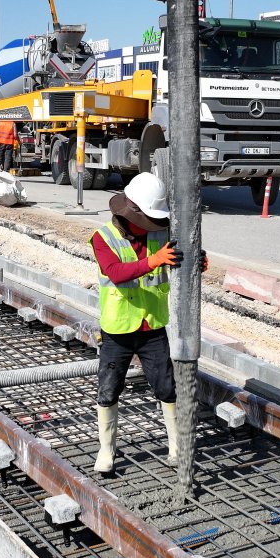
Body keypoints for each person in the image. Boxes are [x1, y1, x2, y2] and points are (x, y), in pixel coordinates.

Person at [89, 172, 206, 476]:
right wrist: (154, 262)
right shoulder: (103, 238)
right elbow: (115, 272)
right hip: (118, 329)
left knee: (166, 386)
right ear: (131, 211)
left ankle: (176, 447)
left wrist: (196, 262)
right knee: (109, 388)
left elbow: (180, 260)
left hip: (152, 325)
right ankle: (106, 449)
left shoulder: (158, 235)